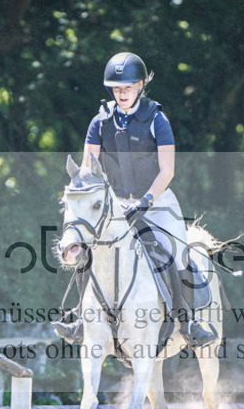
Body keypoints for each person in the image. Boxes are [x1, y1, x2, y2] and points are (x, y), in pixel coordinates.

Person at [54, 52, 218, 348]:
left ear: (141, 85)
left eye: (127, 88)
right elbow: (89, 169)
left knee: (174, 251)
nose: (122, 94)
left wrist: (145, 201)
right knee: (87, 249)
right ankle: (80, 317)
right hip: (114, 205)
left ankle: (189, 322)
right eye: (117, 89)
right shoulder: (99, 122)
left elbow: (168, 170)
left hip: (157, 200)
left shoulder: (157, 120)